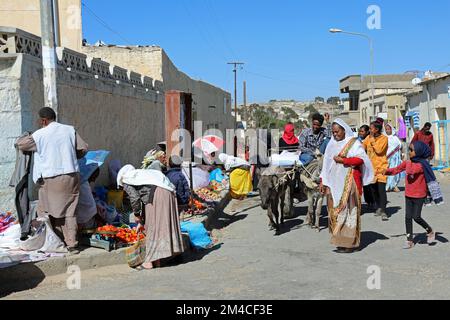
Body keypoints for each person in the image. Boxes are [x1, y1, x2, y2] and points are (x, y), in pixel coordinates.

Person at [16, 107, 88, 254]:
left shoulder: (40, 134)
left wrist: (28, 136)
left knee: (46, 210)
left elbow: (21, 144)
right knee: (69, 211)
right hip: (72, 175)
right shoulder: (69, 130)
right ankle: (72, 244)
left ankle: (53, 241)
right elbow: (83, 148)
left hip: (51, 177)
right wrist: (69, 155)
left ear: (43, 120)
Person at [320, 119, 374, 253]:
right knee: (337, 213)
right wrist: (323, 181)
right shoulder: (331, 144)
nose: (335, 134)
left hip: (350, 183)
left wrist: (344, 160)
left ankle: (350, 244)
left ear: (344, 130)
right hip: (334, 183)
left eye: (337, 132)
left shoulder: (354, 143)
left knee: (350, 212)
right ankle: (340, 241)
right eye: (333, 132)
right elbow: (326, 165)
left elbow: (361, 159)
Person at [118, 165, 184, 270]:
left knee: (153, 228)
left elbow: (134, 198)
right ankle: (164, 258)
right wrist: (141, 221)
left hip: (157, 195)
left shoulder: (127, 179)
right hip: (169, 194)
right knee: (164, 224)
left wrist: (136, 215)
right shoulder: (144, 174)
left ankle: (149, 262)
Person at [384, 141, 439, 249]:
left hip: (419, 195)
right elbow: (397, 169)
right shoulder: (409, 162)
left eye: (411, 150)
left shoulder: (422, 164)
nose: (409, 152)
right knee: (408, 217)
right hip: (408, 194)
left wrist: (406, 163)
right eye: (408, 149)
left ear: (418, 151)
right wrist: (385, 171)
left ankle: (430, 230)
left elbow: (411, 171)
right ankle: (409, 240)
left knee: (416, 217)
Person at [363, 120, 389, 221]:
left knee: (381, 190)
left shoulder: (384, 139)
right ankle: (378, 206)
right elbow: (362, 147)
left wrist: (372, 139)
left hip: (381, 167)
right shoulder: (368, 138)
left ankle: (384, 211)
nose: (369, 130)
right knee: (374, 190)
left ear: (377, 129)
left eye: (371, 128)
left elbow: (379, 150)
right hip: (371, 168)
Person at [358, 125, 375, 208]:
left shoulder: (369, 139)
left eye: (362, 131)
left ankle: (372, 201)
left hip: (369, 164)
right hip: (361, 164)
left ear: (367, 132)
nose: (360, 133)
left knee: (369, 184)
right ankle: (368, 202)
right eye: (359, 131)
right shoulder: (358, 140)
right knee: (364, 184)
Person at [385, 123, 402, 192]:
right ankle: (388, 186)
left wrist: (402, 155)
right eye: (386, 129)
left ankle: (394, 185)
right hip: (387, 158)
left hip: (396, 158)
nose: (387, 131)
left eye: (389, 129)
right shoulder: (384, 138)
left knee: (395, 171)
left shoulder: (395, 138)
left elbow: (400, 146)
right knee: (388, 172)